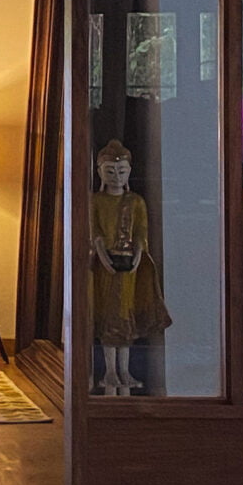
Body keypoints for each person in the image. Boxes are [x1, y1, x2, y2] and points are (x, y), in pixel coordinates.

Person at [90, 138, 170, 394]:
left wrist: (137, 257)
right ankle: (109, 370)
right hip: (105, 266)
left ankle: (124, 370)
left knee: (126, 316)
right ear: (99, 172)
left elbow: (141, 233)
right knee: (108, 316)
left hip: (129, 267)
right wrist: (102, 255)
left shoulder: (135, 202)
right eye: (110, 171)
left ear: (129, 173)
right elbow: (96, 233)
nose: (115, 176)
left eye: (121, 171)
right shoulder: (96, 201)